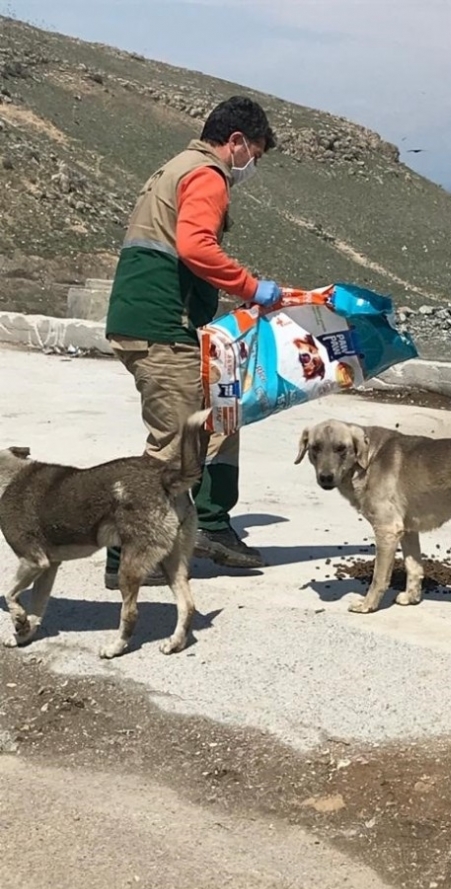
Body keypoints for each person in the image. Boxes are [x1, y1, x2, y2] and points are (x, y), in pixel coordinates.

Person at [104, 96, 281, 589]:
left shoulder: (177, 168)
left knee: (222, 414)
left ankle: (212, 523)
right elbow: (195, 246)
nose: (253, 165)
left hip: (165, 324)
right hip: (162, 329)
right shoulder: (207, 174)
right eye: (257, 154)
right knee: (173, 443)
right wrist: (252, 288)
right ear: (237, 141)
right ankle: (127, 556)